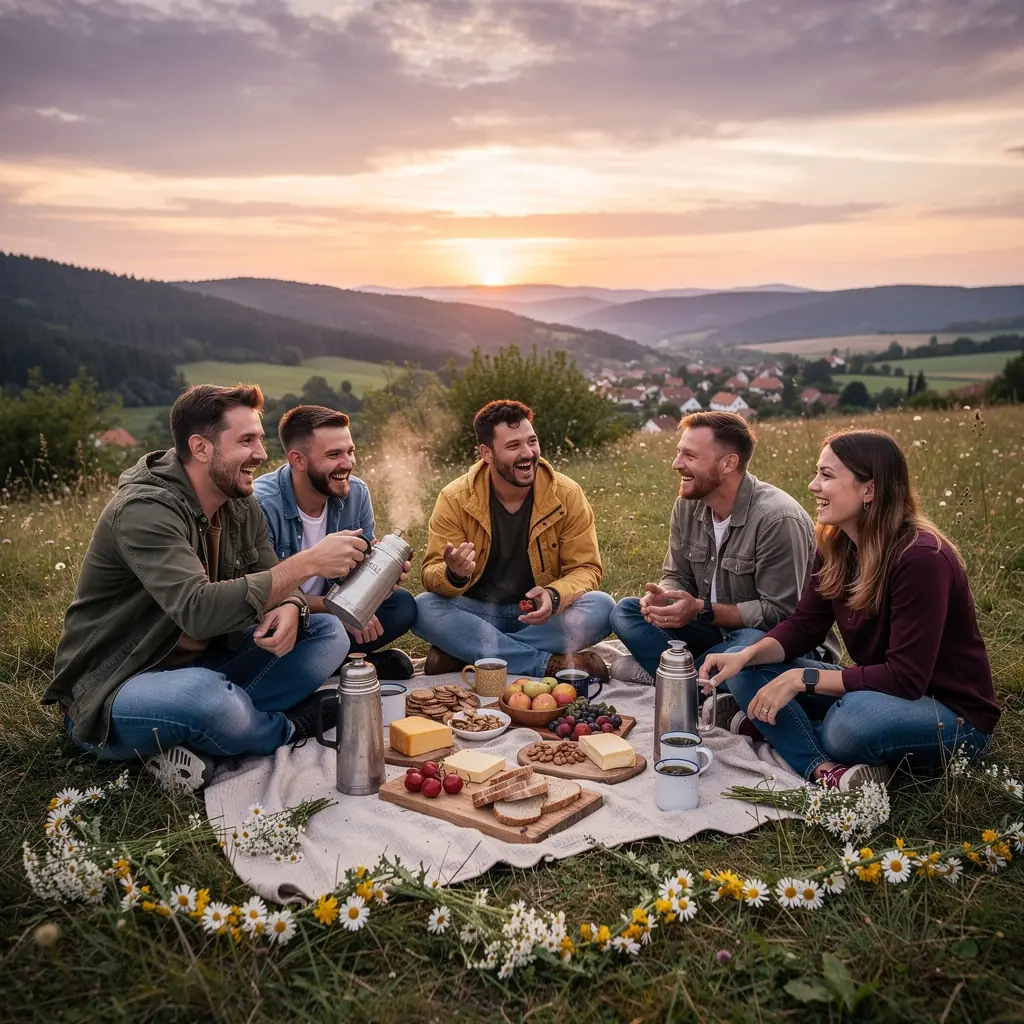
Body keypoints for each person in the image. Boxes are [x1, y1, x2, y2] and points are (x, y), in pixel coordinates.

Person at [44, 384, 370, 792]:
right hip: (120, 687)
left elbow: (272, 573)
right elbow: (198, 611)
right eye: (247, 440)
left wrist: (289, 605)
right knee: (206, 699)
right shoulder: (144, 510)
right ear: (201, 447)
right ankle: (280, 728)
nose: (262, 454)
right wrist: (309, 562)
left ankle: (206, 734)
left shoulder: (236, 499)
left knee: (326, 632)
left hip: (208, 663)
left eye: (260, 438)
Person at [699, 429, 1000, 791]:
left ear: (869, 489)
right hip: (877, 689)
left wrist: (800, 680)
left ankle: (782, 730)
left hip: (950, 713)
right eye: (817, 472)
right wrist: (747, 655)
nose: (813, 485)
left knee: (850, 727)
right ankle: (824, 767)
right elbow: (804, 627)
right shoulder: (837, 543)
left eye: (827, 476)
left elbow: (906, 678)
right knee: (745, 665)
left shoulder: (921, 558)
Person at [610, 411, 819, 685]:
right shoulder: (687, 505)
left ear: (728, 463)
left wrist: (701, 610)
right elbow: (677, 575)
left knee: (745, 644)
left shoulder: (777, 519)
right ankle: (700, 680)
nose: (676, 464)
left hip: (768, 640)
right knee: (625, 612)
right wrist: (665, 599)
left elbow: (780, 615)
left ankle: (674, 678)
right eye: (678, 453)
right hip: (711, 632)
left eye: (690, 456)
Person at [414, 400, 614, 680]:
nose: (528, 453)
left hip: (540, 618)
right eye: (513, 446)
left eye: (532, 441)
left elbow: (587, 569)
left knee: (602, 607)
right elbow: (430, 574)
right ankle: (547, 665)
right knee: (423, 607)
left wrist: (554, 596)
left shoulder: (567, 495)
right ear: (486, 453)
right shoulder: (455, 498)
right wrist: (454, 575)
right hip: (478, 616)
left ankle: (466, 654)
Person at [254, 405, 416, 680]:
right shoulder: (261, 505)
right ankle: (341, 664)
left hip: (333, 612)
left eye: (350, 451)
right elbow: (263, 594)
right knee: (275, 629)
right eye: (334, 455)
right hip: (281, 617)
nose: (348, 463)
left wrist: (378, 584)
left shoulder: (356, 494)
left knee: (402, 606)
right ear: (298, 460)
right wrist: (337, 610)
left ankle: (326, 664)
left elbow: (356, 576)